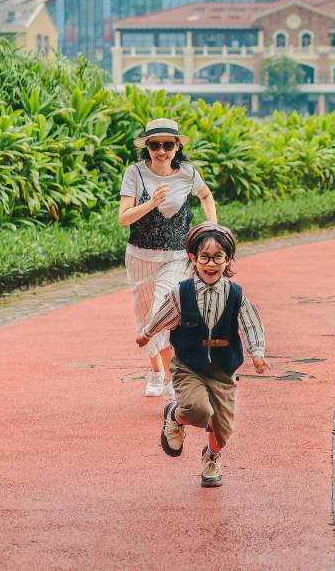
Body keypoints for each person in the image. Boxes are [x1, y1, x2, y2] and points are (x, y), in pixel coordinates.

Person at [136, 224, 269, 488]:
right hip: (189, 366)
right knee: (197, 409)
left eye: (218, 257)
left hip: (224, 370)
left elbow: (251, 323)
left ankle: (212, 457)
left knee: (222, 427)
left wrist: (257, 352)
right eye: (204, 257)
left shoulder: (235, 294)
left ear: (228, 260)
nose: (211, 264)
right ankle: (175, 415)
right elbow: (163, 315)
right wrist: (147, 333)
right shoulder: (181, 292)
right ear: (193, 258)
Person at [118, 118, 217, 399]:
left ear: (177, 147)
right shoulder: (134, 173)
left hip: (176, 257)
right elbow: (123, 218)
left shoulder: (188, 172)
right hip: (140, 257)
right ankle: (156, 370)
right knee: (144, 319)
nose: (161, 151)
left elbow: (206, 195)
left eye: (168, 145)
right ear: (146, 147)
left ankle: (173, 378)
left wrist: (213, 227)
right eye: (155, 145)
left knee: (161, 311)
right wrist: (150, 203)